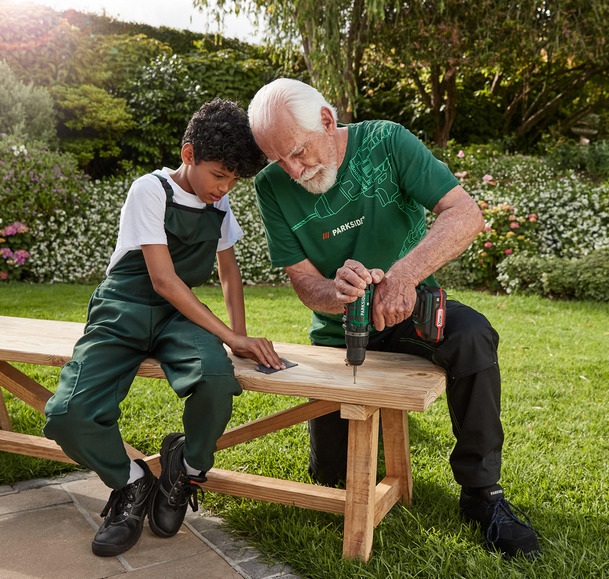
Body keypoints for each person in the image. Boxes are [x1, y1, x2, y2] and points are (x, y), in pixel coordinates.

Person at [247, 78, 541, 561]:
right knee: (332, 480)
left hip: (406, 310)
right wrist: (334, 291)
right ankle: (344, 448)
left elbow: (465, 215)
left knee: (472, 335)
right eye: (278, 159)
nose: (293, 170)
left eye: (298, 152)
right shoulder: (271, 187)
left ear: (326, 120)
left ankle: (482, 494)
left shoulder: (387, 142)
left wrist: (404, 276)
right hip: (339, 333)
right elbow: (303, 283)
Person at [43, 98, 285, 558]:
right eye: (219, 175)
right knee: (66, 417)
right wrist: (230, 336)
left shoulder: (222, 202)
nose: (225, 187)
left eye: (234, 179)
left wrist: (238, 339)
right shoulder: (150, 190)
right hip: (124, 307)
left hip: (179, 316)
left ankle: (185, 469)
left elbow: (229, 274)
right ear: (189, 153)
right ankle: (132, 484)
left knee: (217, 380)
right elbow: (162, 278)